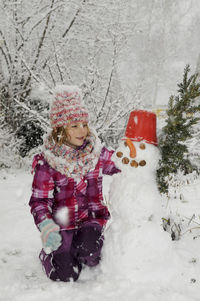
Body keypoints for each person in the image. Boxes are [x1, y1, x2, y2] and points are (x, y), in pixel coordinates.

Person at [29, 85, 120, 282]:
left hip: (91, 219)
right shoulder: (47, 163)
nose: (82, 130)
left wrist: (137, 156)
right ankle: (49, 255)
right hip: (61, 225)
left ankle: (82, 248)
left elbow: (120, 163)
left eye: (84, 124)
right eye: (74, 125)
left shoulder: (96, 153)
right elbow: (39, 201)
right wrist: (46, 225)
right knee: (65, 275)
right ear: (61, 130)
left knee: (91, 255)